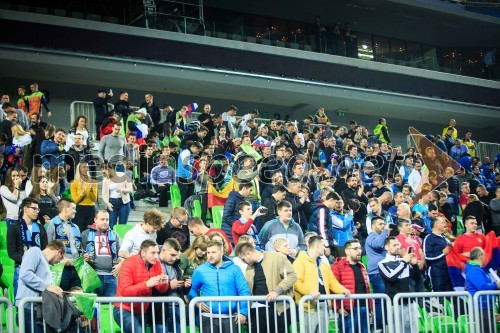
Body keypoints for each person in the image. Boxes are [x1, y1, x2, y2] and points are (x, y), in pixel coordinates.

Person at [188, 240, 250, 332]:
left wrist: (243, 312)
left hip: (230, 317)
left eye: (213, 252)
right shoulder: (200, 270)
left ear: (221, 252)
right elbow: (191, 289)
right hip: (207, 317)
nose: (210, 255)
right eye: (208, 252)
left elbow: (244, 290)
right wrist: (197, 302)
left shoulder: (234, 269)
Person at [235, 241, 297, 333]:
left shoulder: (277, 257)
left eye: (243, 259)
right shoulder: (249, 268)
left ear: (248, 253)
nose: (244, 262)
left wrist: (276, 291)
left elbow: (292, 276)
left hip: (277, 309)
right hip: (256, 311)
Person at [293, 235, 350, 333]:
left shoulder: (323, 264)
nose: (324, 248)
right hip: (308, 307)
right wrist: (309, 292)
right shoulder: (300, 261)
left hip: (324, 306)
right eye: (323, 245)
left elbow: (332, 281)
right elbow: (296, 282)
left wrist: (342, 290)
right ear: (317, 245)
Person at [114, 239, 170, 333]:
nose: (156, 256)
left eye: (157, 252)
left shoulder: (157, 263)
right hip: (123, 309)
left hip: (142, 310)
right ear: (143, 253)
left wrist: (164, 284)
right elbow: (125, 291)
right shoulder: (128, 263)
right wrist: (146, 284)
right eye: (153, 253)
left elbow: (161, 289)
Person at [16, 240, 65, 333]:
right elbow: (25, 274)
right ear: (59, 252)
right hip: (28, 309)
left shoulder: (46, 263)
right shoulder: (35, 251)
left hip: (37, 310)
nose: (59, 262)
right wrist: (48, 287)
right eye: (61, 258)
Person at [7, 197, 48, 299]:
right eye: (34, 208)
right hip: (21, 268)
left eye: (38, 209)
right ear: (25, 209)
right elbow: (11, 252)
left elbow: (45, 249)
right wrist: (28, 261)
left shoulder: (41, 228)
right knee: (22, 303)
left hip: (38, 270)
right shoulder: (14, 227)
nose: (37, 211)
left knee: (38, 303)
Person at [378, 236, 420, 333]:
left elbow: (416, 279)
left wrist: (414, 265)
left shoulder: (403, 262)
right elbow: (391, 278)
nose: (397, 247)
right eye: (394, 245)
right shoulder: (382, 263)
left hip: (410, 303)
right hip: (395, 304)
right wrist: (404, 262)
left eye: (398, 244)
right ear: (386, 247)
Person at [331, 239, 371, 333]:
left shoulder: (362, 266)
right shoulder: (338, 266)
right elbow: (332, 288)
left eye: (360, 248)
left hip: (364, 308)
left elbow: (367, 289)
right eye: (355, 248)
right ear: (347, 251)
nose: (359, 251)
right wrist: (338, 308)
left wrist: (370, 308)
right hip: (348, 310)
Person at [81, 210, 122, 296]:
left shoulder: (115, 235)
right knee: (94, 306)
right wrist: (84, 257)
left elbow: (120, 254)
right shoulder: (85, 234)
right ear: (95, 220)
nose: (105, 222)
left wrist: (120, 264)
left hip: (112, 276)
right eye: (102, 219)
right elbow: (80, 254)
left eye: (107, 219)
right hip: (92, 276)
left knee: (110, 307)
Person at [154, 238, 191, 333]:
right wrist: (170, 285)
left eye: (176, 255)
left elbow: (181, 290)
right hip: (160, 310)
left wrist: (185, 286)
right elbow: (150, 288)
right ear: (163, 250)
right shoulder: (153, 264)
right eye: (172, 255)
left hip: (177, 308)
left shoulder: (176, 265)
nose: (174, 258)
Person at [46, 198, 82, 291]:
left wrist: (83, 255)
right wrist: (61, 260)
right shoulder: (52, 224)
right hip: (60, 269)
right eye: (73, 208)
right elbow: (48, 248)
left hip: (76, 268)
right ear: (65, 209)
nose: (75, 211)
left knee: (75, 300)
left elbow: (78, 247)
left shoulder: (76, 227)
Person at [464, 247, 500, 332]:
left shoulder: (478, 270)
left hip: (485, 306)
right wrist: (496, 284)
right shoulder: (474, 270)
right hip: (481, 307)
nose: (485, 256)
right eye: (484, 254)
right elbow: (482, 287)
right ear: (480, 256)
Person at [365, 216, 389, 331]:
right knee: (380, 301)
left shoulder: (382, 237)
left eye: (384, 224)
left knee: (386, 300)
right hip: (377, 274)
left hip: (385, 273)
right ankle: (378, 327)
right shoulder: (371, 237)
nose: (383, 226)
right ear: (373, 226)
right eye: (380, 224)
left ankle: (385, 325)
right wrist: (385, 231)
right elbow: (378, 245)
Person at [423, 217, 453, 292]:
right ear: (436, 225)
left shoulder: (444, 238)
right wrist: (442, 253)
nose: (444, 224)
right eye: (442, 222)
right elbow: (427, 256)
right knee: (437, 294)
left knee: (451, 295)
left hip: (448, 270)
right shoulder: (429, 238)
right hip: (436, 271)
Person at [102, 162, 133, 228]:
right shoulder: (105, 180)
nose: (104, 175)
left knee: (122, 226)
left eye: (104, 173)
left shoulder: (123, 175)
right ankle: (113, 238)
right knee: (112, 225)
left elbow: (130, 189)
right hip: (112, 203)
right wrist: (107, 203)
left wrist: (122, 189)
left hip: (124, 203)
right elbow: (104, 194)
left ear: (109, 169)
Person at [70, 162, 98, 232]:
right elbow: (75, 201)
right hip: (79, 210)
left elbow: (94, 199)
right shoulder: (74, 183)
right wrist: (82, 194)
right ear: (79, 169)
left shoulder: (93, 181)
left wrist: (91, 190)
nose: (86, 169)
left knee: (91, 232)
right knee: (79, 231)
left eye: (87, 167)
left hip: (91, 209)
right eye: (84, 167)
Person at [307, 191, 336, 257]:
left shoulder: (323, 209)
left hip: (318, 242)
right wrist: (326, 245)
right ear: (331, 200)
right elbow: (322, 229)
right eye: (335, 202)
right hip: (320, 244)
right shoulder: (322, 210)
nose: (335, 205)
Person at [176, 140, 202, 206]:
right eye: (198, 151)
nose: (198, 153)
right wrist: (189, 177)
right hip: (182, 177)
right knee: (184, 194)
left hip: (187, 176)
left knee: (191, 193)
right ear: (195, 148)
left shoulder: (191, 154)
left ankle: (189, 210)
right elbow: (185, 165)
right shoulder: (186, 152)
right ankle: (182, 210)